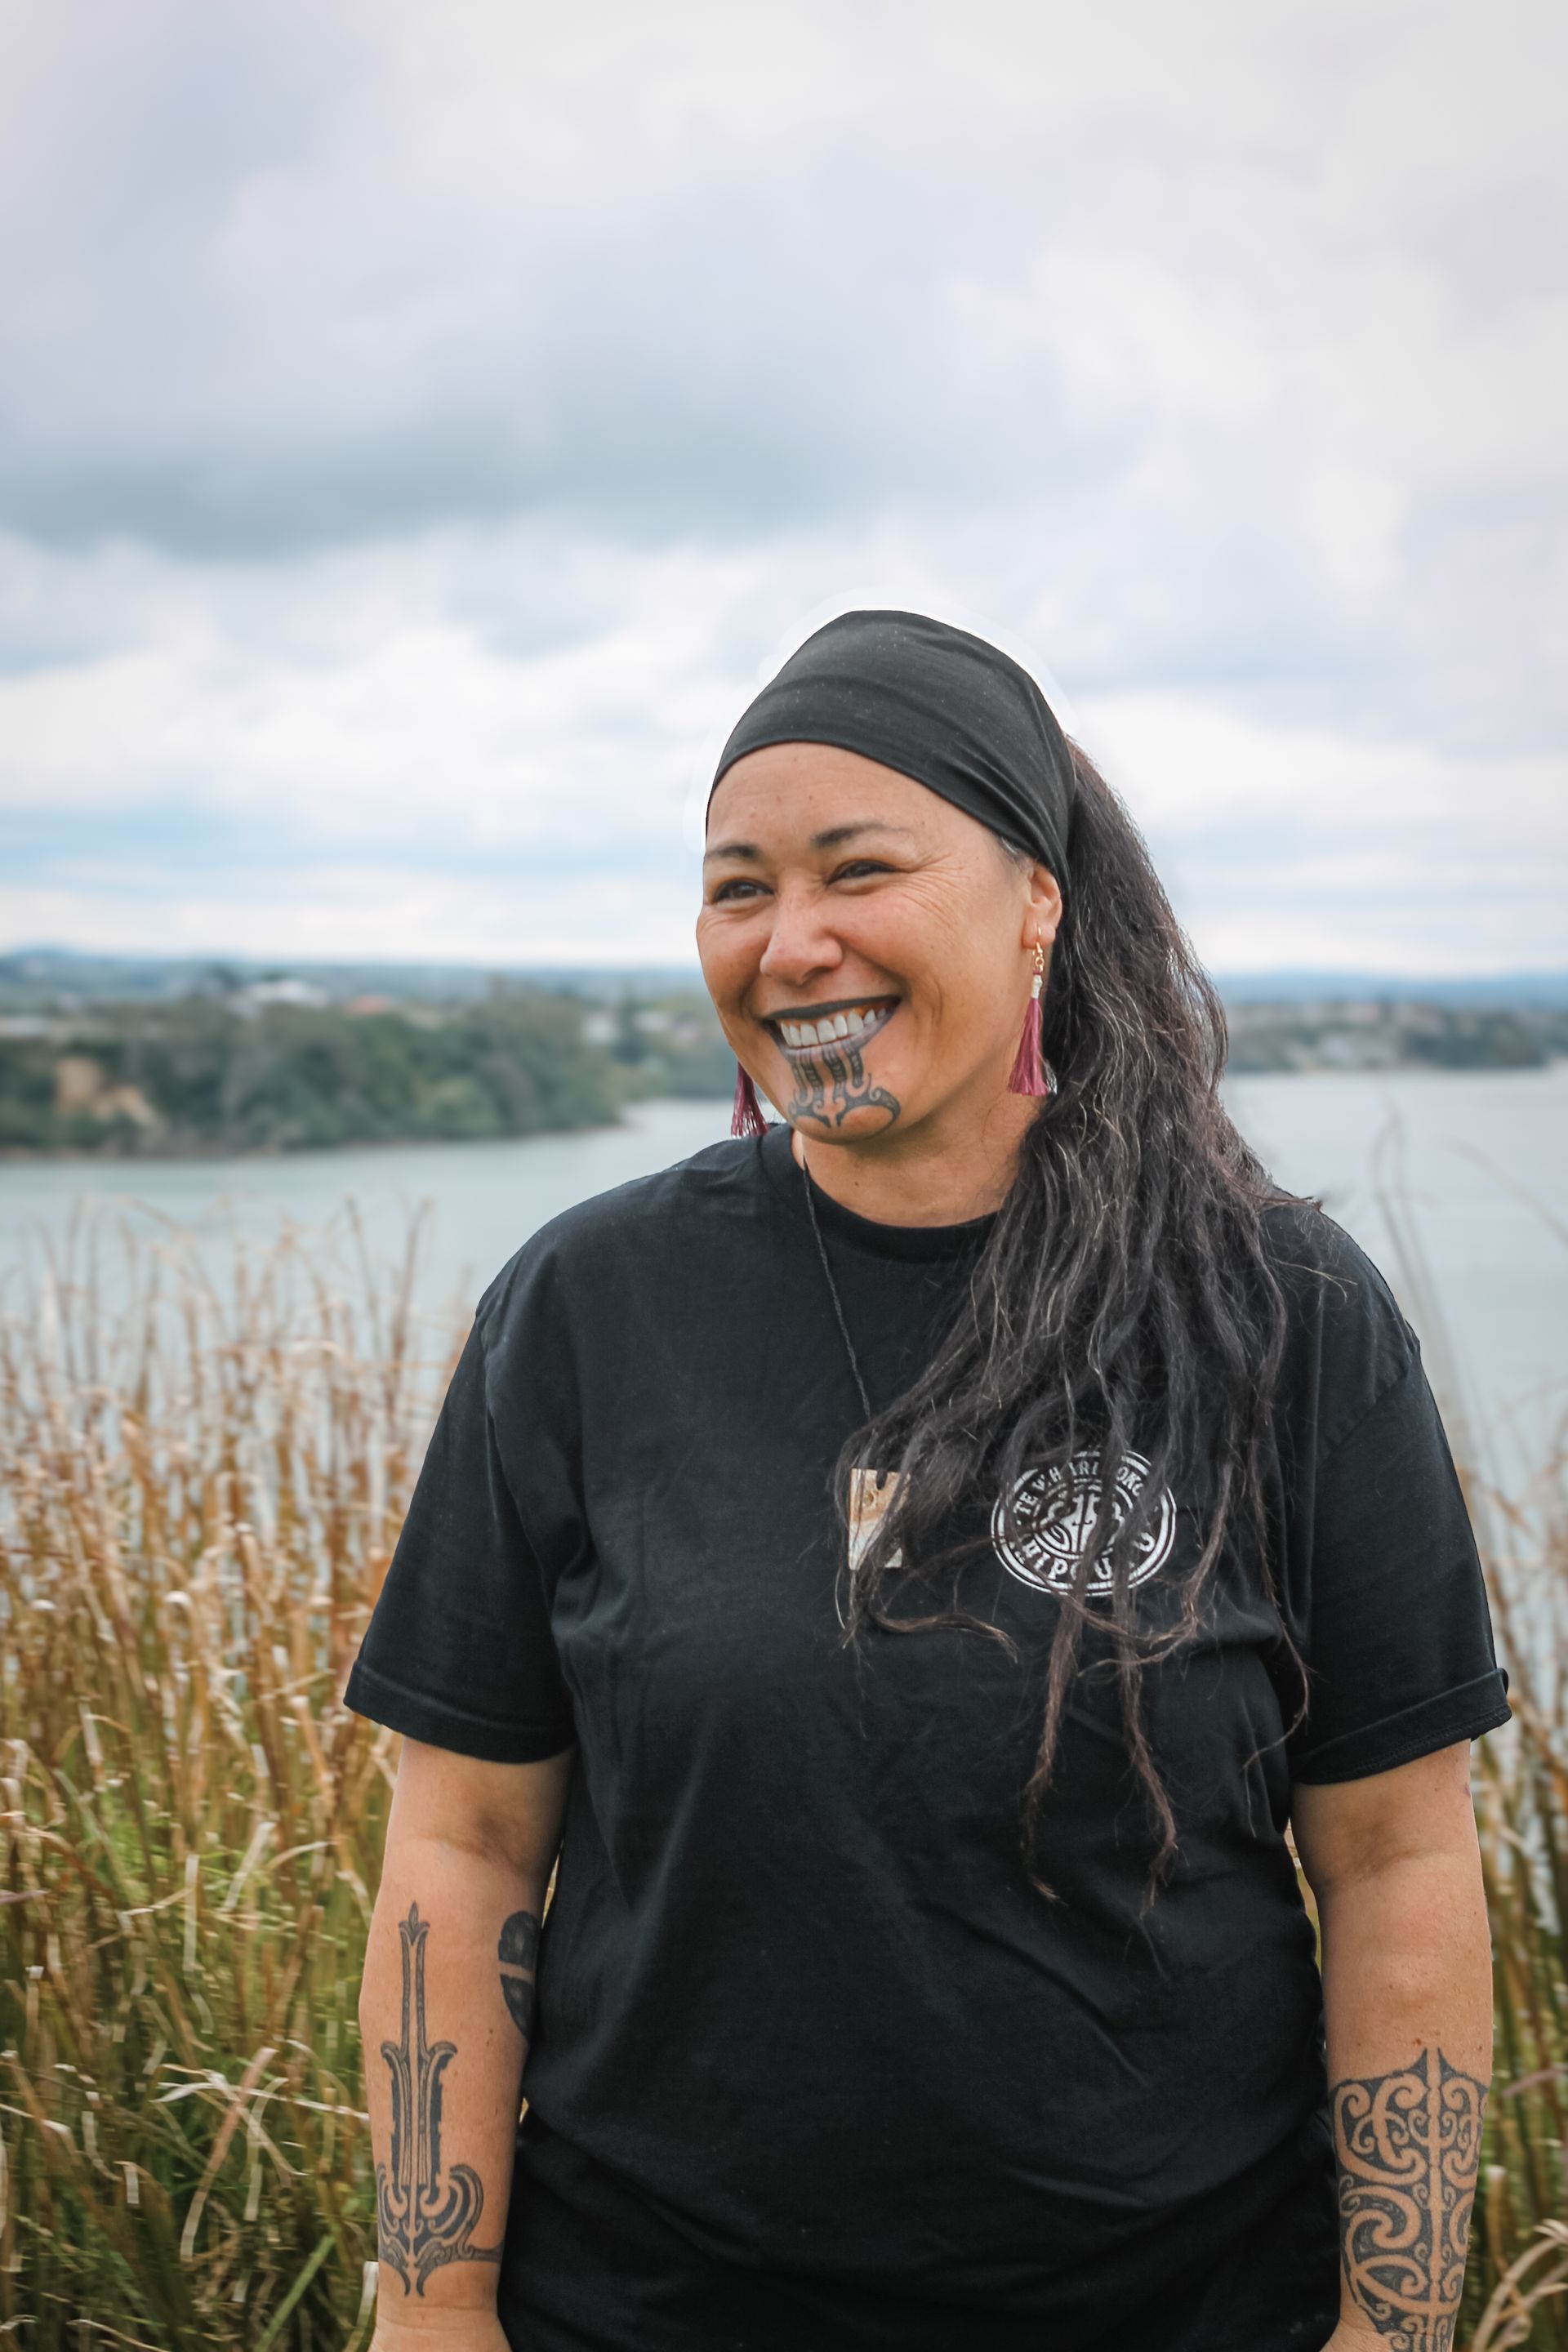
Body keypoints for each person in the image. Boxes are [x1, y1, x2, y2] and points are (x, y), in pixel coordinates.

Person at [349, 610, 1509, 2352]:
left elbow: (1398, 1861)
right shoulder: (588, 1308)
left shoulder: (1279, 1316)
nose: (793, 942)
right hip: (653, 2309)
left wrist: (1398, 2324)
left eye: (857, 870)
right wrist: (430, 2303)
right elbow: (464, 1842)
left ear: (1038, 898)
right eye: (738, 888)